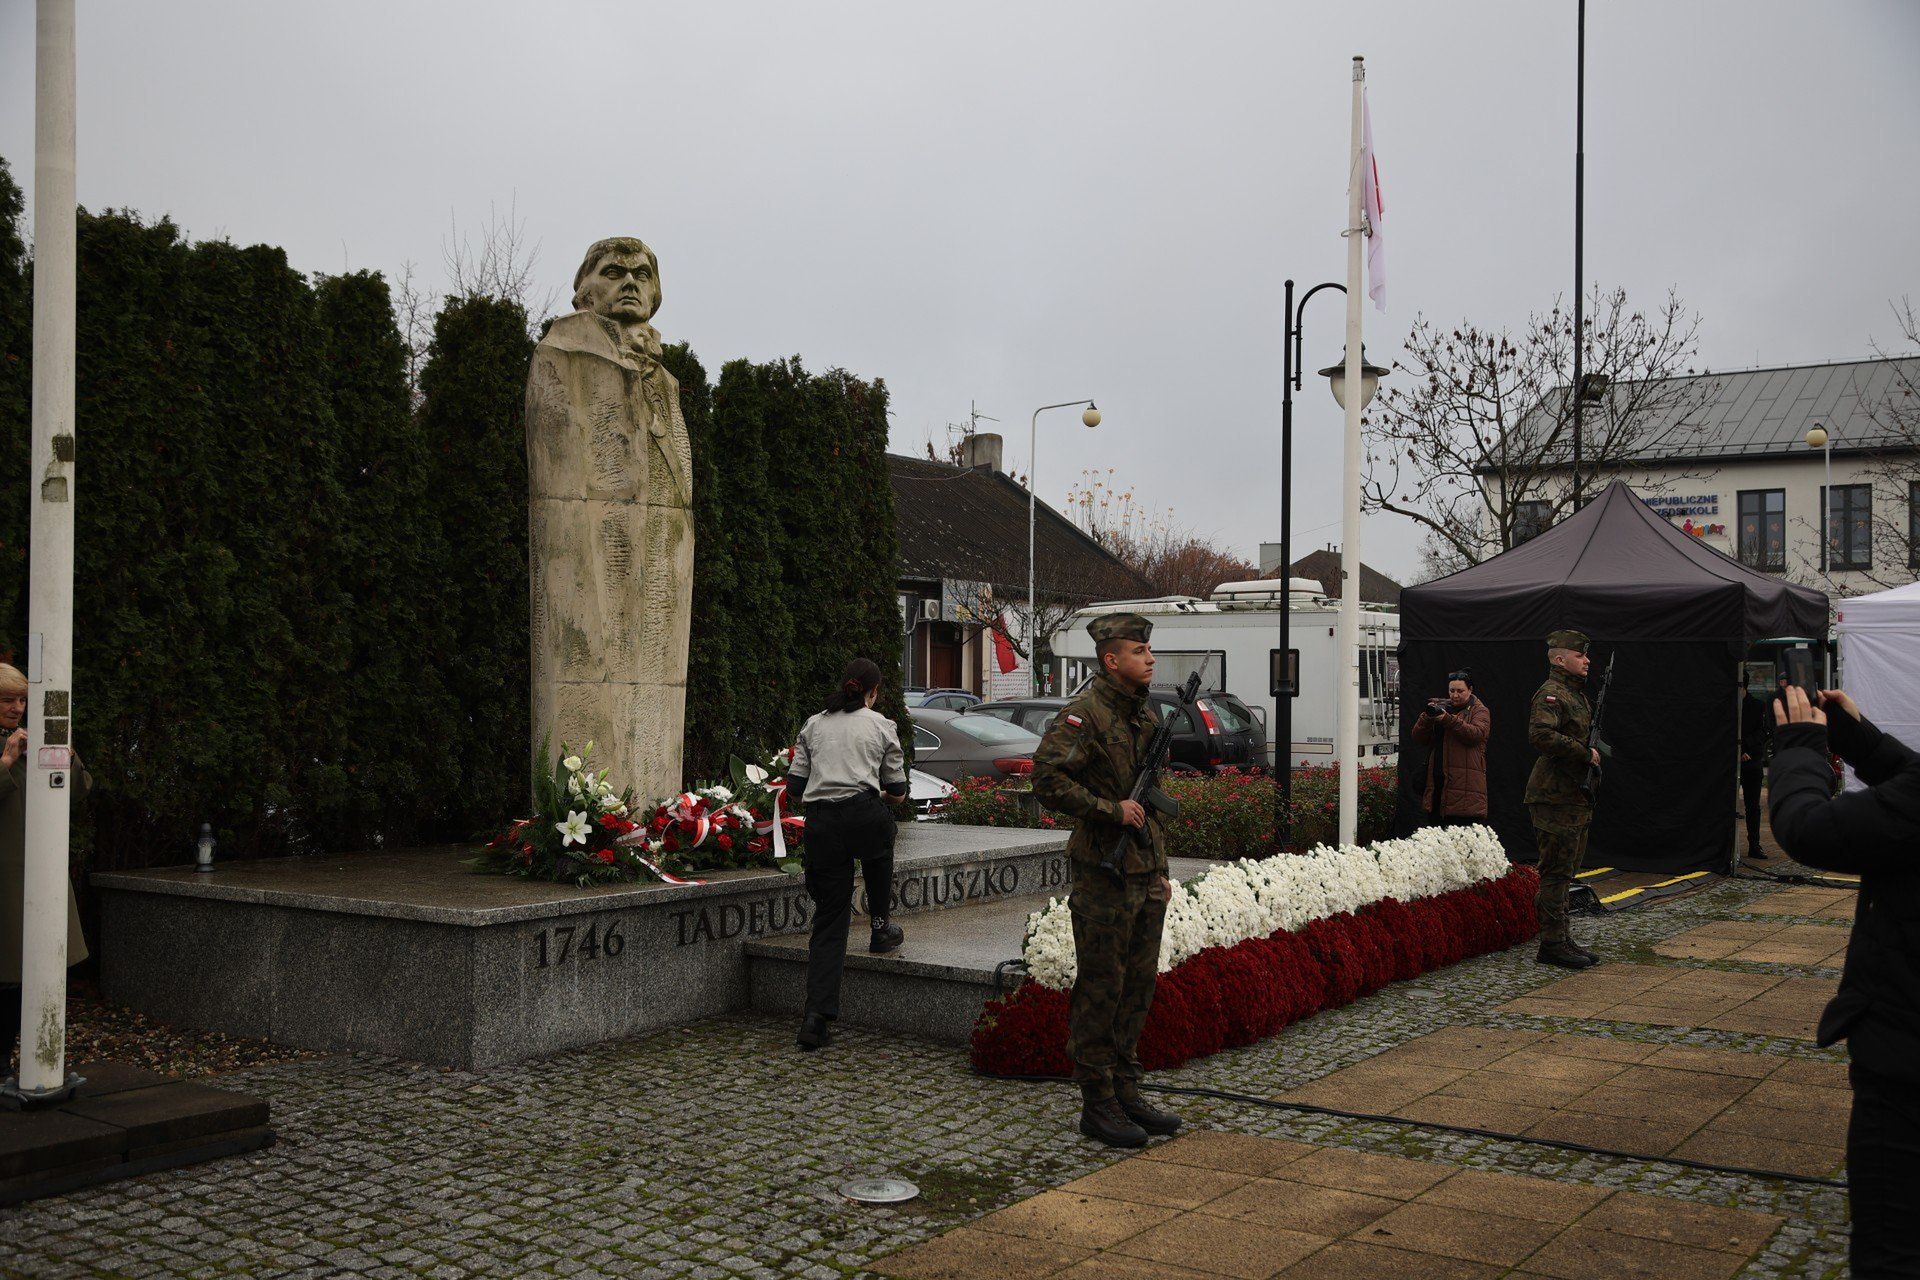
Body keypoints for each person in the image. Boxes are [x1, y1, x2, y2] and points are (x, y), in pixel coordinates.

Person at [1768, 684, 1920, 1279]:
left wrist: (1800, 746)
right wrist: (1860, 740)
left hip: (1907, 1068)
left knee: (1894, 1251)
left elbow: (1808, 829)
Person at [1031, 613, 1182, 1149]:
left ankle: (1126, 1087)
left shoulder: (1142, 716)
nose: (1151, 659)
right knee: (1102, 987)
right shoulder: (1085, 714)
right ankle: (1097, 1101)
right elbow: (1046, 778)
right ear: (1110, 659)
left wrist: (1160, 870)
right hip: (1103, 871)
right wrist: (1107, 811)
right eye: (1140, 651)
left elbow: (1149, 799)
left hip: (1143, 871)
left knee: (1138, 985)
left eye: (1150, 650)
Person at [784, 658, 910, 1052]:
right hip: (862, 814)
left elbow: (794, 787)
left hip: (822, 824)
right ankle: (880, 925)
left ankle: (815, 1018)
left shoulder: (814, 724)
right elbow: (898, 790)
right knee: (880, 838)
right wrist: (878, 794)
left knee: (830, 919)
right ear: (873, 693)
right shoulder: (881, 725)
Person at [1, 662, 92, 1071]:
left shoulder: (34, 735)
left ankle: (33, 1058)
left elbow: (77, 791)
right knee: (7, 974)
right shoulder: (9, 748)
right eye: (7, 700)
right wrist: (6, 762)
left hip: (40, 868)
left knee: (37, 972)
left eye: (21, 700)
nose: (16, 708)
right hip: (6, 874)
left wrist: (65, 757)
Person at [1525, 629, 1601, 970]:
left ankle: (1562, 937)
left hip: (1573, 795)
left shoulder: (1576, 695)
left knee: (1567, 872)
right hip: (1554, 796)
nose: (1586, 661)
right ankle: (1552, 944)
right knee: (1555, 873)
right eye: (1580, 655)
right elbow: (1541, 735)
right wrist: (1583, 753)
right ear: (1560, 659)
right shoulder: (1552, 694)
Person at [1410, 670, 1490, 827]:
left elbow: (1476, 734)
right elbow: (1418, 738)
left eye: (1460, 691)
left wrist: (1448, 719)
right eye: (1451, 690)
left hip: (1464, 788)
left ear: (1470, 690)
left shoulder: (1479, 710)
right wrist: (1426, 718)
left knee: (1460, 840)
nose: (1455, 695)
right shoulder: (1443, 707)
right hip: (1438, 786)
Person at [1738, 672, 1774, 860]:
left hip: (1751, 761)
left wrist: (1747, 749)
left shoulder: (1759, 706)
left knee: (1753, 806)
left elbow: (1765, 731)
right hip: (1735, 760)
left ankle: (1754, 845)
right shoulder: (1730, 705)